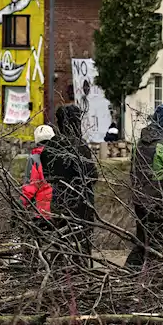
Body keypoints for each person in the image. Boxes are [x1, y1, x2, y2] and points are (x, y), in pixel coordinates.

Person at [126, 104, 163, 269]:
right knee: (157, 246)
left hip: (140, 202)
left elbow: (132, 173)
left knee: (141, 242)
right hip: (159, 203)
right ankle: (155, 283)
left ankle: (128, 276)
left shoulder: (139, 143)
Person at [42, 104, 99, 257]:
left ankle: (59, 271)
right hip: (80, 203)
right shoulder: (79, 146)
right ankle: (80, 272)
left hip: (58, 200)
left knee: (61, 239)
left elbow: (46, 174)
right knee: (81, 242)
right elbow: (91, 175)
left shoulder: (51, 145)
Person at [20, 125, 56, 220]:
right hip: (63, 208)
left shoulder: (34, 158)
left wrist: (20, 206)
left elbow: (30, 186)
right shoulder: (60, 155)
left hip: (44, 212)